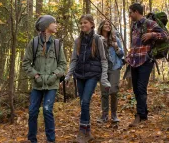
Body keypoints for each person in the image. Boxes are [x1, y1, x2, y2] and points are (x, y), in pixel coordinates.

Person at [64, 14, 110, 143]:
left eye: (85, 23)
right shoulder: (77, 41)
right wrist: (68, 75)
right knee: (83, 104)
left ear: (92, 24)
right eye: (81, 23)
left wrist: (104, 78)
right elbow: (73, 60)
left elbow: (103, 60)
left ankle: (82, 131)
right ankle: (88, 131)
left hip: (92, 75)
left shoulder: (97, 39)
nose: (83, 25)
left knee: (85, 102)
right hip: (79, 75)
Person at [22, 15, 67, 143]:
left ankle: (50, 140)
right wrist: (36, 75)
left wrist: (54, 75)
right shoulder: (34, 42)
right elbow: (26, 63)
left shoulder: (57, 44)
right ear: (46, 26)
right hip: (37, 84)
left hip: (52, 84)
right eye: (54, 23)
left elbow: (63, 64)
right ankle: (32, 139)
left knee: (47, 110)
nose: (56, 25)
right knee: (32, 112)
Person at [126, 3, 169, 127]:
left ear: (136, 12)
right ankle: (144, 115)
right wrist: (128, 57)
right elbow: (134, 45)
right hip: (134, 61)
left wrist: (152, 35)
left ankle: (139, 116)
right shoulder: (134, 25)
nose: (129, 15)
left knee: (141, 88)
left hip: (146, 60)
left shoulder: (149, 23)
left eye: (130, 12)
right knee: (135, 89)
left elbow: (166, 36)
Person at [97, 20, 125, 123]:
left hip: (114, 67)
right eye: (106, 24)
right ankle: (104, 116)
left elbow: (122, 54)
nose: (108, 26)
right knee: (104, 93)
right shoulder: (97, 39)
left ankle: (114, 115)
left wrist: (116, 47)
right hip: (102, 69)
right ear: (101, 26)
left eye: (109, 25)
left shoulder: (115, 39)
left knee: (113, 91)